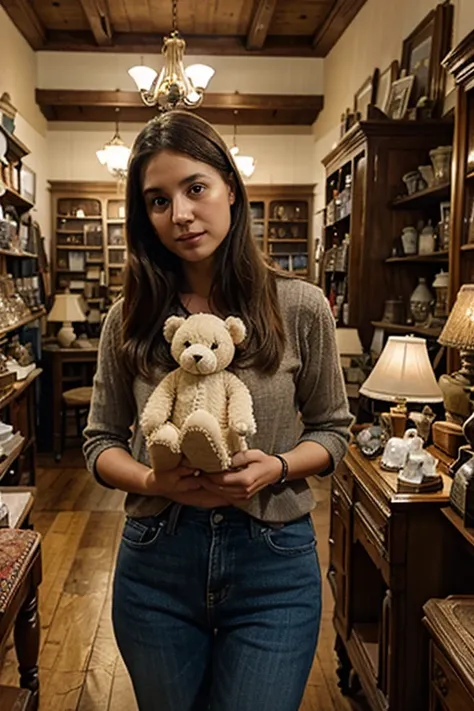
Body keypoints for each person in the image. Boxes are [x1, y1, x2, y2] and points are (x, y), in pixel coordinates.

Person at [83, 110, 353, 711]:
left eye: (195, 188)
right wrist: (155, 480)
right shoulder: (127, 319)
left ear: (231, 186)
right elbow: (99, 442)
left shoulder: (302, 307)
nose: (179, 214)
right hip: (156, 561)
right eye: (157, 200)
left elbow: (334, 430)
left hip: (273, 562)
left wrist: (276, 468)